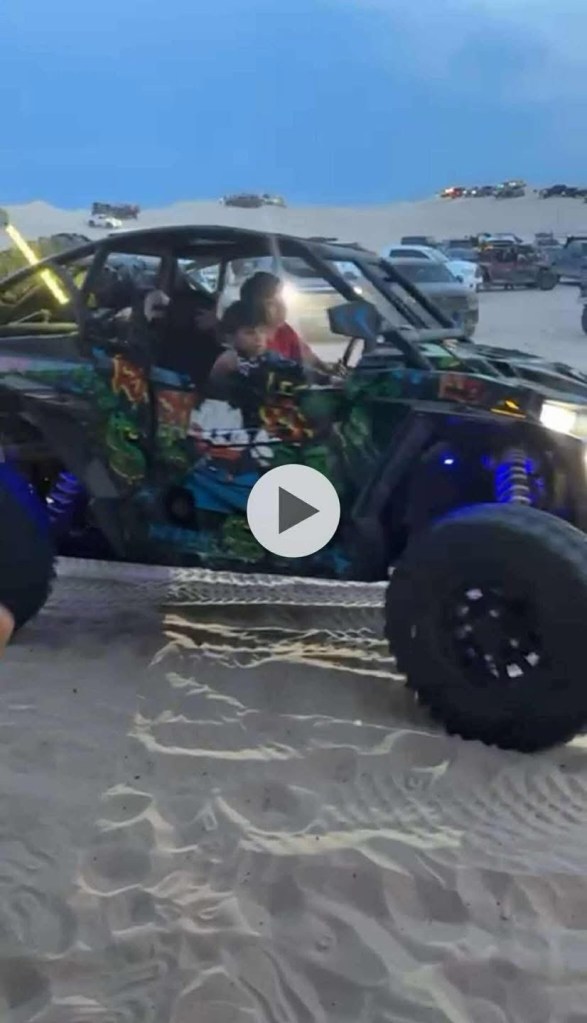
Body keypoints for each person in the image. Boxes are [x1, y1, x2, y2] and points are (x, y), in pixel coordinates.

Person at [239, 271, 331, 374]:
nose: (281, 307)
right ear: (254, 308)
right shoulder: (254, 343)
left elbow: (308, 357)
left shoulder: (284, 330)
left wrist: (329, 369)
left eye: (281, 299)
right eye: (270, 303)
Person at [208, 300, 272, 399]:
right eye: (249, 333)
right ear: (230, 337)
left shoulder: (266, 358)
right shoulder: (230, 358)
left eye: (262, 331)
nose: (259, 338)